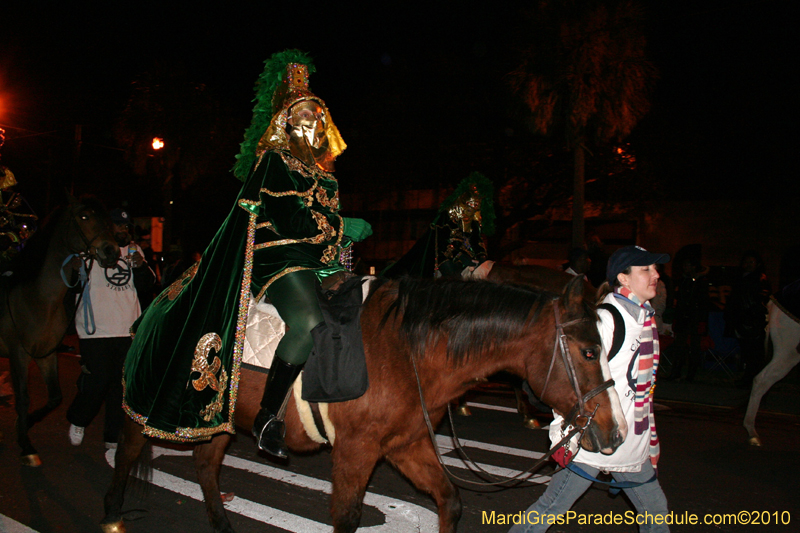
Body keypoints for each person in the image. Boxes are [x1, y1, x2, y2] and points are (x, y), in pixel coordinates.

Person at [121, 50, 371, 459]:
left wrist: (339, 244)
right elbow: (290, 219)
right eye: (304, 112)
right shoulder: (275, 160)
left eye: (318, 113)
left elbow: (323, 228)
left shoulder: (325, 174)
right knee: (307, 321)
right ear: (286, 122)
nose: (314, 120)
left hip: (317, 261)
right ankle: (268, 416)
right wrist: (345, 226)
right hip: (279, 259)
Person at [509, 245, 671, 533]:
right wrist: (564, 430)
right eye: (645, 269)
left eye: (655, 268)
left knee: (655, 512)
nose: (655, 275)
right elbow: (571, 377)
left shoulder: (644, 318)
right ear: (623, 278)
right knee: (552, 507)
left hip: (631, 443)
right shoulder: (607, 320)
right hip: (595, 443)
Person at [67, 208, 154, 448]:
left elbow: (147, 286)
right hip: (95, 331)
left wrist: (138, 266)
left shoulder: (135, 251)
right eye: (118, 225)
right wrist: (75, 268)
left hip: (126, 330)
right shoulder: (89, 251)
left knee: (120, 385)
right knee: (97, 381)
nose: (123, 230)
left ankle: (112, 436)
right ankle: (78, 419)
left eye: (126, 226)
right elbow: (72, 288)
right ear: (107, 227)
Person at [382, 172, 493, 279]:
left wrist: (481, 256)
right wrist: (459, 256)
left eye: (475, 207)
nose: (472, 210)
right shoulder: (447, 217)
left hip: (470, 258)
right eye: (470, 206)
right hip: (446, 256)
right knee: (452, 275)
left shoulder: (474, 224)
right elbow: (441, 242)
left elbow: (477, 241)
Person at [725, 251, 771, 388]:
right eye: (746, 262)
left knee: (754, 352)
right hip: (741, 319)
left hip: (752, 321)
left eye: (751, 262)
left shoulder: (760, 279)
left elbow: (762, 300)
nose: (748, 265)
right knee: (746, 350)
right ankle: (748, 377)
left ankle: (754, 379)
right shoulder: (741, 277)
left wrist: (752, 314)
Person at [666, 247, 710, 382]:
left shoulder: (701, 282)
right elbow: (679, 301)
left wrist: (702, 321)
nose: (685, 267)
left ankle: (691, 374)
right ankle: (675, 372)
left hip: (695, 319)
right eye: (684, 265)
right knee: (679, 346)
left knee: (694, 347)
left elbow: (703, 302)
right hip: (683, 318)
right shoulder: (683, 281)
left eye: (688, 265)